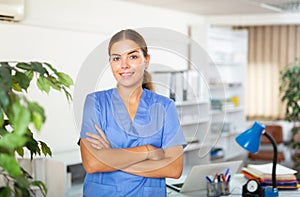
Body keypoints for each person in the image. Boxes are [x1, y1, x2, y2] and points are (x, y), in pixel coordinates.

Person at [79, 29, 186, 197]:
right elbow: (92, 164)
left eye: (133, 56)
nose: (124, 65)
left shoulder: (165, 106)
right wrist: (147, 151)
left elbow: (174, 168)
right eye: (116, 58)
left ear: (146, 60)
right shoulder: (95, 102)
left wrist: (111, 156)